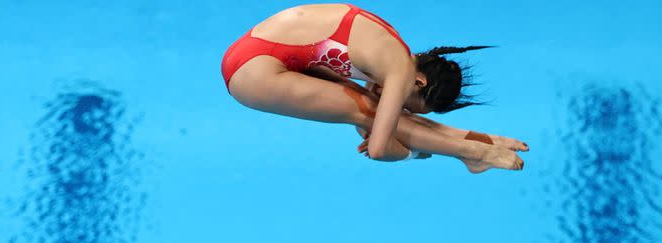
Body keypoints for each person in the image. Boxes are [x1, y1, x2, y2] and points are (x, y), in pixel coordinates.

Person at [222, 3, 529, 173]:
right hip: (253, 74)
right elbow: (380, 149)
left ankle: (481, 140)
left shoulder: (394, 49)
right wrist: (412, 154)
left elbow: (378, 126)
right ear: (419, 82)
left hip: (256, 52)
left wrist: (388, 130)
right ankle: (471, 153)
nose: (400, 109)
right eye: (408, 105)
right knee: (371, 111)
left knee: (372, 108)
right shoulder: (400, 70)